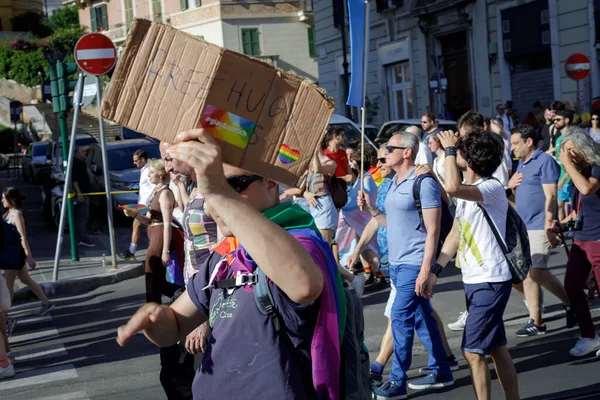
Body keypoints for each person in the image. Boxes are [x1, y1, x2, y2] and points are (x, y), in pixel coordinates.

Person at [118, 129, 339, 399]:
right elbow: (174, 325)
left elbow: (304, 285)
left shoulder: (300, 241)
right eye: (209, 189)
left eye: (234, 185)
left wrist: (219, 191)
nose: (215, 203)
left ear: (270, 182)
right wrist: (155, 318)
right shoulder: (226, 255)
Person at [358, 133, 454, 399]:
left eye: (390, 148)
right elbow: (394, 224)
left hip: (415, 262)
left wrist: (426, 270)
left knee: (400, 318)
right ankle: (442, 370)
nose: (385, 153)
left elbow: (433, 231)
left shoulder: (423, 183)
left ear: (407, 152)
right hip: (397, 264)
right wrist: (373, 212)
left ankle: (398, 381)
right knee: (422, 317)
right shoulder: (392, 183)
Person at [432, 129, 520, 400]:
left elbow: (451, 186)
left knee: (472, 350)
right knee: (495, 346)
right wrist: (435, 271)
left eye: (459, 151)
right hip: (475, 280)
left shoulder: (491, 187)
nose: (454, 152)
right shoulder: (470, 193)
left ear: (468, 160)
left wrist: (447, 149)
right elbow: (456, 234)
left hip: (491, 280)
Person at [509, 124, 576, 336]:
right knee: (528, 275)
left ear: (529, 142)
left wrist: (549, 222)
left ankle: (570, 302)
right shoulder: (522, 165)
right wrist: (510, 187)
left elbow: (551, 195)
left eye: (515, 143)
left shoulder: (544, 161)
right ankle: (536, 322)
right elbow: (515, 198)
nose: (512, 148)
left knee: (536, 271)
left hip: (539, 224)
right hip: (524, 225)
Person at [554, 128, 600, 357]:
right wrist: (560, 224)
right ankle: (589, 336)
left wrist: (568, 166)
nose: (568, 156)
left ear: (584, 148)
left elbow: (587, 189)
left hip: (598, 239)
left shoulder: (597, 168)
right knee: (572, 285)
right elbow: (577, 211)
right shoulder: (577, 173)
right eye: (564, 151)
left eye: (571, 150)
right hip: (581, 240)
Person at [122, 159, 183, 304]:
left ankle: (155, 307)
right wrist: (134, 214)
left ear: (161, 174)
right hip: (154, 231)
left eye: (152, 173)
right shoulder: (156, 192)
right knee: (156, 279)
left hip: (160, 234)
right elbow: (148, 220)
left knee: (151, 271)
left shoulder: (165, 194)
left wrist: (165, 251)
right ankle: (181, 296)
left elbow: (168, 224)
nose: (149, 176)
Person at [2, 187, 55, 316]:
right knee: (26, 279)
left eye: (4, 198)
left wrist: (29, 257)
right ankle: (46, 303)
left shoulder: (17, 215)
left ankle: (5, 316)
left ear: (12, 200)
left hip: (14, 255)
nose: (2, 200)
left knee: (8, 286)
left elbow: (23, 237)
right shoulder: (7, 213)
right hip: (9, 253)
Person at [120, 149, 155, 261]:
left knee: (140, 225)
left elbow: (153, 187)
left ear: (143, 159)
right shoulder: (144, 170)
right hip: (143, 202)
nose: (134, 163)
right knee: (143, 226)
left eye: (136, 161)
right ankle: (139, 250)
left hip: (146, 204)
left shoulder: (149, 170)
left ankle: (132, 251)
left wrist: (146, 205)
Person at [72, 145, 94, 247]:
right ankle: (82, 238)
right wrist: (80, 194)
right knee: (82, 217)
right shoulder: (77, 164)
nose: (85, 153)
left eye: (86, 152)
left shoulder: (81, 163)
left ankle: (82, 237)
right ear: (77, 153)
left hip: (83, 193)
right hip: (81, 194)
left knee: (82, 217)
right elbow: (75, 180)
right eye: (82, 152)